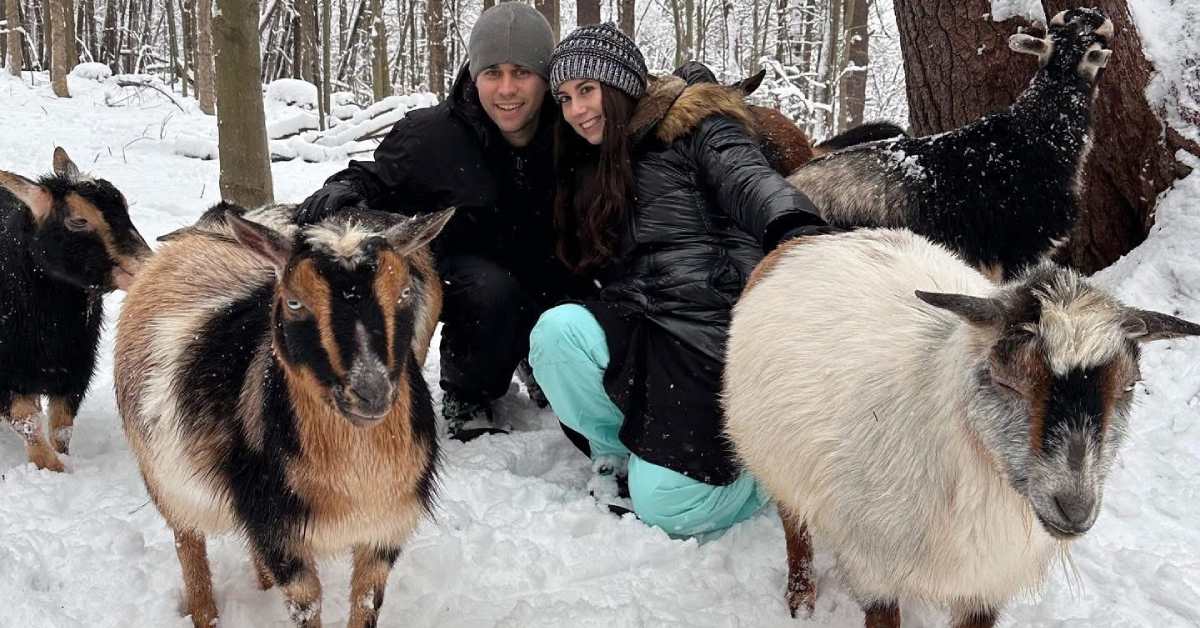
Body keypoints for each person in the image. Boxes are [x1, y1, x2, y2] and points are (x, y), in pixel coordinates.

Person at [529, 23, 833, 539]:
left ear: (622, 84)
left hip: (714, 334)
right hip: (644, 326)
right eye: (565, 97)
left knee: (669, 507)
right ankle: (618, 454)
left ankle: (767, 472)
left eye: (588, 90)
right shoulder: (593, 160)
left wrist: (795, 229)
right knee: (555, 335)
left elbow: (748, 180)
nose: (577, 109)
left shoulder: (695, 125)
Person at [295, 2, 592, 440]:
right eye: (492, 73)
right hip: (471, 280)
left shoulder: (575, 130)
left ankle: (543, 362)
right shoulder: (430, 136)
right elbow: (368, 179)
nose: (507, 89)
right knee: (491, 291)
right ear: (474, 75)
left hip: (552, 268)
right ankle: (469, 390)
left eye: (522, 72)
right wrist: (337, 199)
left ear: (546, 78)